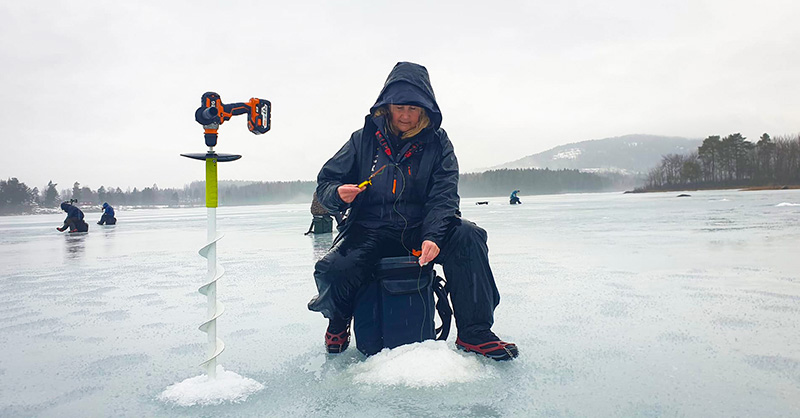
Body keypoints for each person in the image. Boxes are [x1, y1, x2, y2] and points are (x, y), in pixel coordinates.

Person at [308, 62, 518, 361]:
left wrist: (433, 236)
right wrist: (338, 195)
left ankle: (474, 333)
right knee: (333, 269)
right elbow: (327, 182)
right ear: (386, 106)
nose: (405, 116)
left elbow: (444, 196)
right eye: (399, 107)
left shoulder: (439, 143)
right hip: (369, 229)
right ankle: (338, 321)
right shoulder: (362, 139)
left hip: (420, 230)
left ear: (426, 109)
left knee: (468, 237)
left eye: (413, 108)